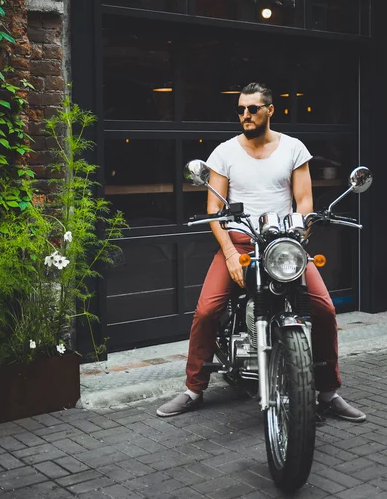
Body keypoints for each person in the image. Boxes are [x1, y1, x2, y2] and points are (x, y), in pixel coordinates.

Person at [157, 82, 366, 423]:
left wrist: (299, 237)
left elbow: (305, 203)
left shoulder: (293, 149)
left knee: (325, 309)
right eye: (240, 109)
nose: (245, 115)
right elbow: (215, 210)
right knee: (207, 310)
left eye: (252, 109)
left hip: (282, 242)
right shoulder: (225, 152)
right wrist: (227, 252)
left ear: (270, 110)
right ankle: (194, 389)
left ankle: (328, 392)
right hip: (240, 243)